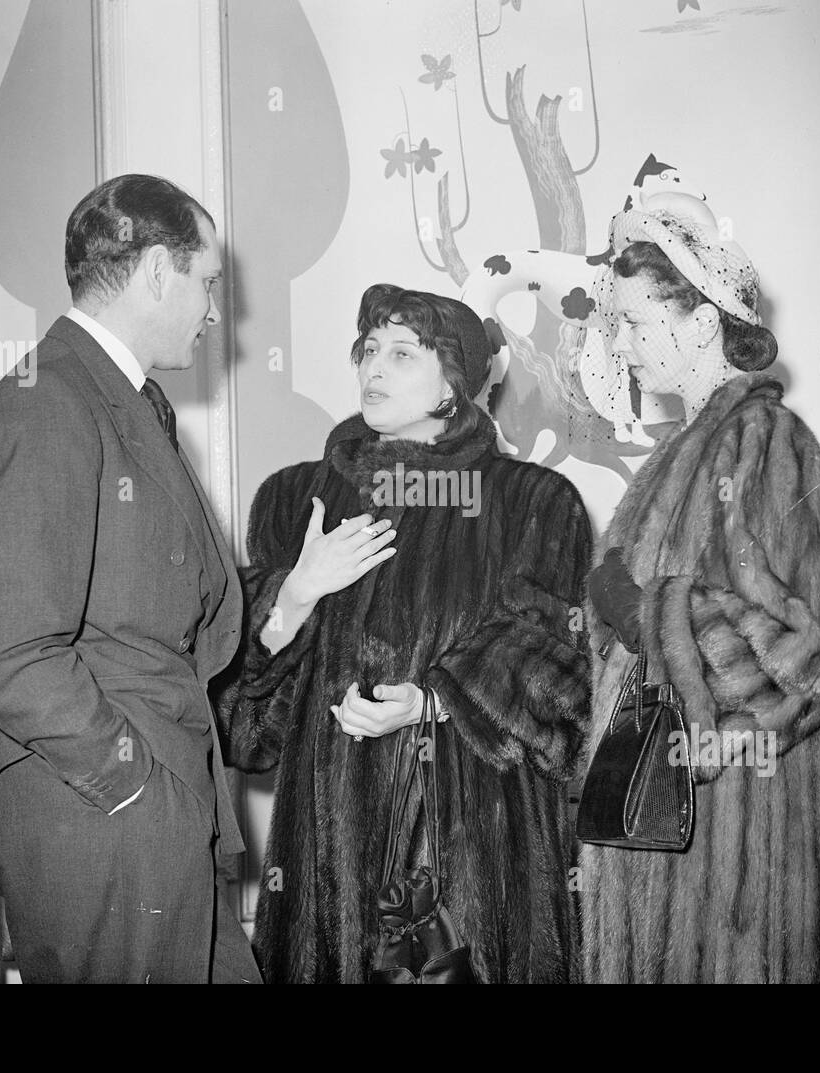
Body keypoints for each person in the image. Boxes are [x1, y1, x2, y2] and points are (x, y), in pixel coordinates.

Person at [218, 284, 591, 983]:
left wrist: (434, 699)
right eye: (367, 350)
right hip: (324, 882)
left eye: (401, 353)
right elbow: (245, 725)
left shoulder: (531, 503)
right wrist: (297, 591)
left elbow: (560, 667)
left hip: (477, 876)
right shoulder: (298, 501)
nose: (372, 369)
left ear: (454, 383)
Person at [578, 197, 820, 983]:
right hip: (681, 848)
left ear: (700, 322)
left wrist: (648, 612)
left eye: (631, 321)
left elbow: (806, 659)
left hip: (743, 866)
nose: (618, 344)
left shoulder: (766, 440)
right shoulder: (679, 454)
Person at [0, 173, 259, 983]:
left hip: (147, 810)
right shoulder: (51, 399)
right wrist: (133, 789)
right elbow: (8, 651)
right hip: (100, 813)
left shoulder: (114, 396)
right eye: (208, 282)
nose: (215, 309)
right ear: (159, 271)